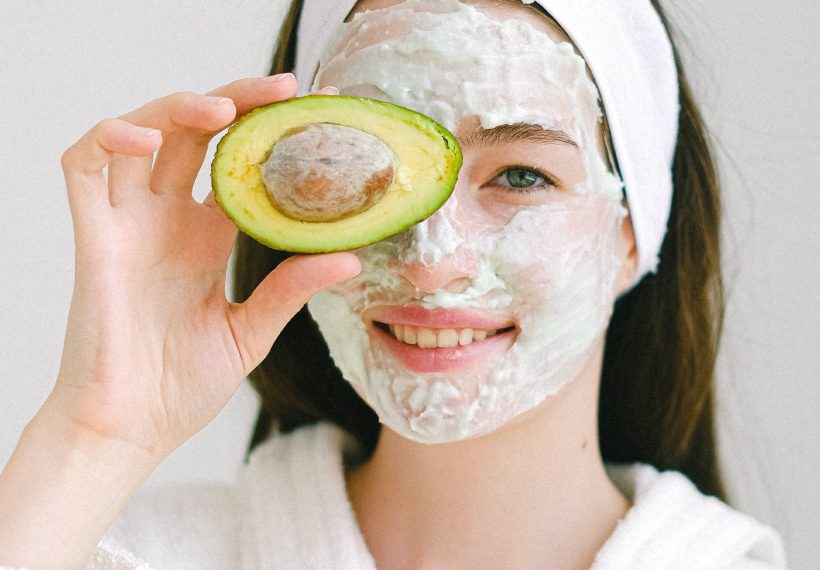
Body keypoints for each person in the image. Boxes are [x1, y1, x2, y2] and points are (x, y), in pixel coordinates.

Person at [0, 0, 787, 568]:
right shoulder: (122, 552)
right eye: (352, 163)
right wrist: (95, 438)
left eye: (520, 174)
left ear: (632, 231)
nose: (429, 260)